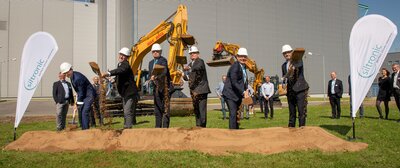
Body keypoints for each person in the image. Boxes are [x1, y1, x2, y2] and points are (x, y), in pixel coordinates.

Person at [102, 47, 139, 128]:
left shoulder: (125, 65)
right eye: (121, 54)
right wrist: (113, 80)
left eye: (124, 55)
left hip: (130, 93)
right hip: (125, 93)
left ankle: (128, 129)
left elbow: (120, 71)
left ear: (127, 57)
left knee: (127, 112)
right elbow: (121, 76)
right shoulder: (120, 65)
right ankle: (126, 128)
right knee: (126, 112)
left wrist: (109, 73)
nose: (121, 56)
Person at [60, 62, 96, 130]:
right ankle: (83, 127)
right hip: (83, 95)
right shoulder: (72, 77)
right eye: (65, 73)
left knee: (84, 111)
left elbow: (81, 92)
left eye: (66, 72)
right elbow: (79, 91)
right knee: (81, 110)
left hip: (89, 95)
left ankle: (85, 130)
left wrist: (77, 104)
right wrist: (77, 103)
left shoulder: (77, 78)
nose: (66, 74)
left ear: (70, 70)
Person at [183, 46, 211, 127]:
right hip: (194, 91)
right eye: (191, 53)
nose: (192, 55)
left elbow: (198, 68)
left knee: (202, 110)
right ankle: (198, 127)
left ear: (198, 54)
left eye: (194, 53)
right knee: (196, 110)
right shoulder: (190, 64)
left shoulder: (200, 61)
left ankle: (202, 127)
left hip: (201, 90)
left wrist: (189, 68)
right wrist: (182, 75)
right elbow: (188, 77)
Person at [222, 47, 250, 129]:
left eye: (244, 56)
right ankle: (232, 134)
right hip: (230, 94)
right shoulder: (235, 66)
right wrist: (243, 92)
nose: (243, 58)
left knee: (237, 114)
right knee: (233, 114)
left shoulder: (243, 67)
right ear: (237, 57)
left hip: (237, 95)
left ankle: (236, 132)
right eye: (241, 56)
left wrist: (246, 90)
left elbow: (243, 80)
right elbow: (234, 82)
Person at [281, 44, 308, 127]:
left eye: (288, 52)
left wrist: (292, 69)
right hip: (290, 91)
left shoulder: (298, 61)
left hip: (300, 89)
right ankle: (291, 132)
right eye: (284, 53)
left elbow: (297, 67)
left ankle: (302, 130)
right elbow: (284, 77)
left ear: (292, 52)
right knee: (292, 113)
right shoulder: (283, 66)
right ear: (283, 55)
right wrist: (284, 83)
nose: (286, 54)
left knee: (301, 111)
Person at [149, 43, 172, 128]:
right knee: (157, 109)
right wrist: (151, 79)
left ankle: (165, 128)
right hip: (156, 89)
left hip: (165, 89)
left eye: (157, 51)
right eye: (154, 51)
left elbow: (164, 72)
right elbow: (149, 74)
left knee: (165, 109)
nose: (155, 53)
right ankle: (157, 128)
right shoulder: (151, 63)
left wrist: (156, 77)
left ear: (160, 52)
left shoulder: (163, 60)